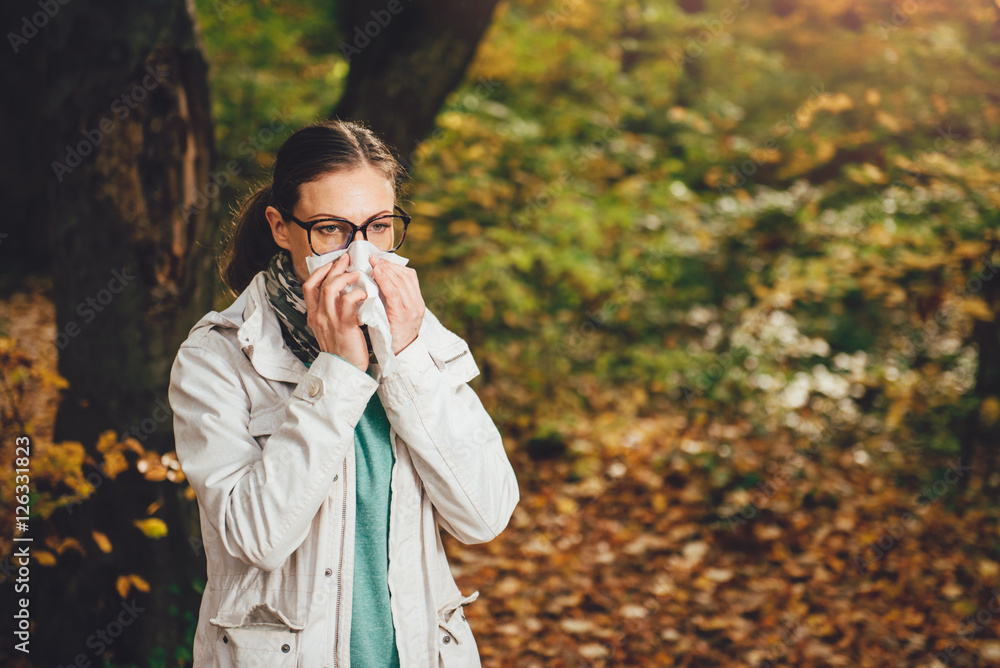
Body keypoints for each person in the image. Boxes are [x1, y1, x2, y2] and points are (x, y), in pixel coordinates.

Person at [168, 119, 519, 667]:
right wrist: (337, 371)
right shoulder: (219, 356)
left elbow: (484, 516)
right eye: (331, 229)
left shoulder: (414, 334)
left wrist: (405, 361)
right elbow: (257, 539)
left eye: (378, 227)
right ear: (281, 227)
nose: (359, 254)